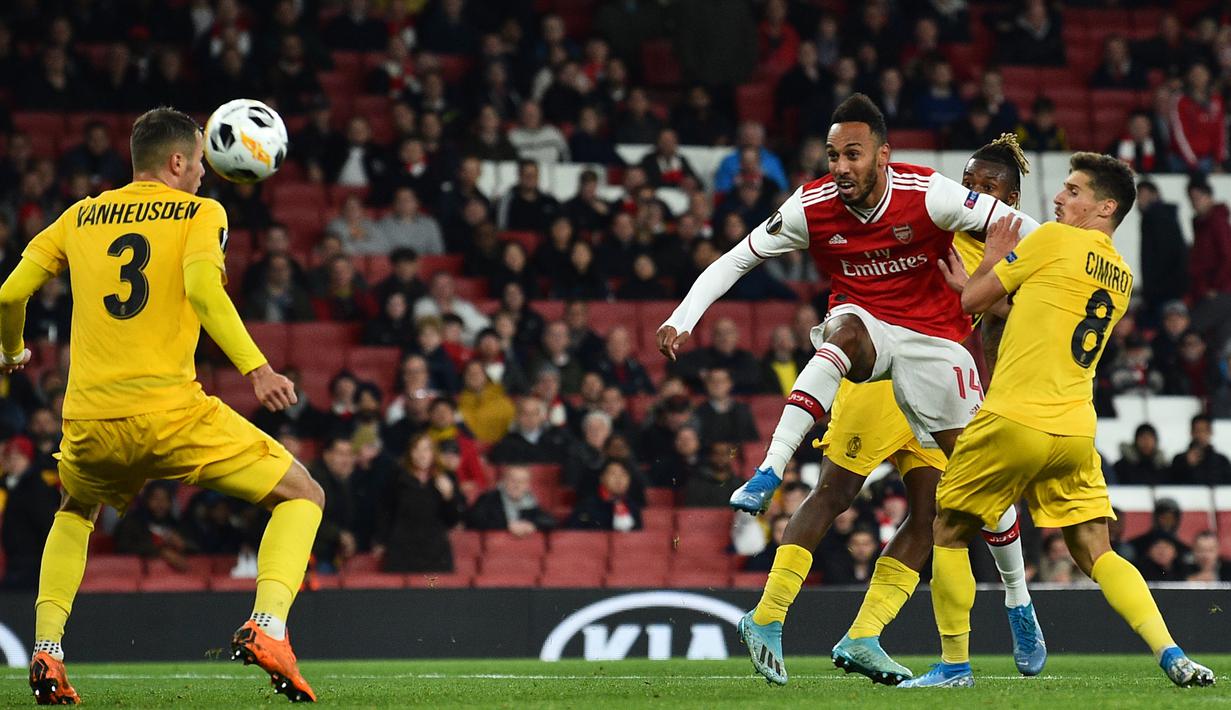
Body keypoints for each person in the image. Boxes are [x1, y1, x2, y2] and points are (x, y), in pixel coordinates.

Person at [661, 98, 1039, 686]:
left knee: (938, 509)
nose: (975, 190)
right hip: (875, 365)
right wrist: (685, 315)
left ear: (1006, 201)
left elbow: (1001, 317)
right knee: (835, 489)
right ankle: (767, 606)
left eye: (987, 187)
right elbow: (737, 259)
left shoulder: (989, 239)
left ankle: (872, 635)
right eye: (970, 180)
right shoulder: (921, 208)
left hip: (936, 370)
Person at [0, 108, 324, 703]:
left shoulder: (80, 215)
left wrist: (12, 350)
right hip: (171, 414)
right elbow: (204, 290)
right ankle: (269, 627)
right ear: (177, 162)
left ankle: (48, 651)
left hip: (90, 420)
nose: (204, 171)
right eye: (200, 160)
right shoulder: (202, 212)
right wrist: (257, 368)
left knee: (75, 510)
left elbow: (9, 293)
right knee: (303, 494)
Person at [908, 153, 1213, 688]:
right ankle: (1171, 653)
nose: (1059, 198)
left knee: (949, 527)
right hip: (1075, 429)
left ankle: (954, 665)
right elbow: (1037, 312)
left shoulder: (1050, 239)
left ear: (1105, 206)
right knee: (1096, 549)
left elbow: (974, 303)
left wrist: (992, 260)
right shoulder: (1121, 274)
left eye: (1073, 191)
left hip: (1013, 417)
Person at [466, 465, 557, 534]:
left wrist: (532, 525)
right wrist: (507, 526)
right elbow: (473, 521)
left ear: (528, 486)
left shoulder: (530, 502)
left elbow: (550, 522)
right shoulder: (488, 498)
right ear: (504, 481)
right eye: (513, 480)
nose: (517, 485)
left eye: (522, 482)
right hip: (495, 548)